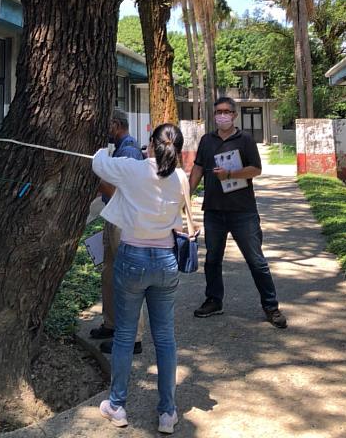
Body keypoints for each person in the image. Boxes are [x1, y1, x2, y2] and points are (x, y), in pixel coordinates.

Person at [92, 123, 196, 434]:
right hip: (166, 261)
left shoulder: (132, 169)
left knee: (125, 334)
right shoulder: (179, 177)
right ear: (175, 149)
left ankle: (117, 405)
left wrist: (102, 149)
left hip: (133, 258)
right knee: (165, 339)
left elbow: (98, 162)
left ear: (150, 145)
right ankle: (167, 413)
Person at [189, 96, 287, 328]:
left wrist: (231, 175)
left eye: (226, 111)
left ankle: (271, 306)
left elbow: (256, 169)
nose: (221, 115)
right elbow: (198, 168)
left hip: (243, 211)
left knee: (256, 260)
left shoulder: (244, 139)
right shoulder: (207, 140)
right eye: (217, 112)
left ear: (234, 115)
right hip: (213, 210)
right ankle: (214, 300)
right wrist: (186, 194)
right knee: (212, 259)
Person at [89, 108, 145, 355]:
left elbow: (124, 192)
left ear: (115, 124)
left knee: (127, 278)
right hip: (114, 216)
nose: (105, 131)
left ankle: (132, 337)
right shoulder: (121, 149)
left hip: (124, 220)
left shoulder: (129, 151)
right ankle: (112, 324)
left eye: (107, 125)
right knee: (110, 274)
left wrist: (94, 176)